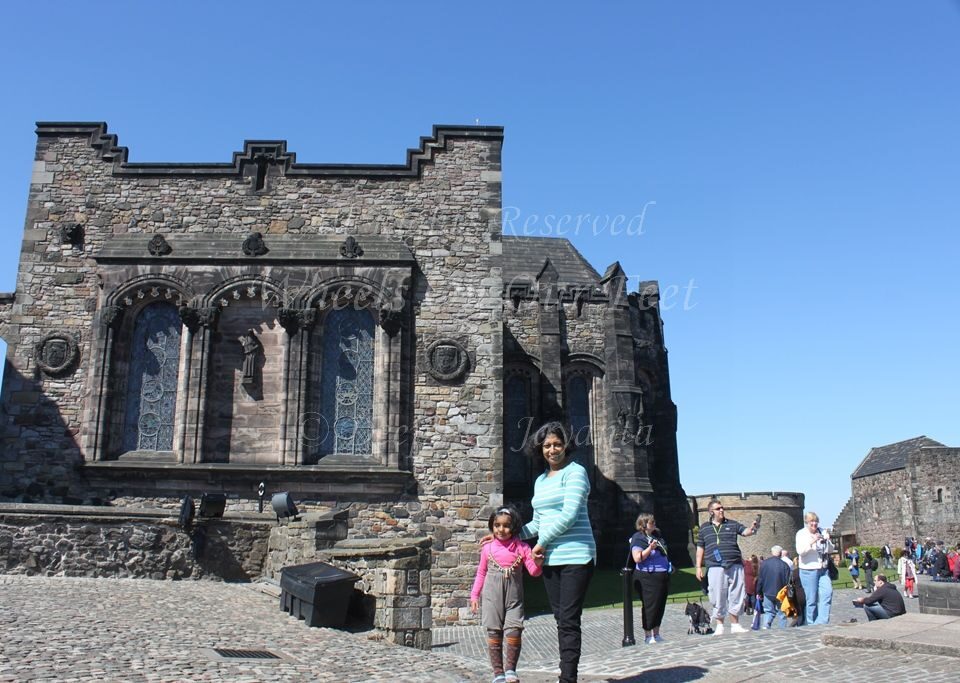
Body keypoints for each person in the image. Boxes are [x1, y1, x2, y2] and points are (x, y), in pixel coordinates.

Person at [519, 422, 596, 683]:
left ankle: (568, 678)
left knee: (569, 619)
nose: (552, 449)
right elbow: (537, 523)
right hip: (551, 557)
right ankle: (567, 673)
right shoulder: (541, 481)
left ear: (566, 446)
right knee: (561, 619)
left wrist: (541, 543)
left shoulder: (576, 473)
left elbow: (570, 515)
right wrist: (506, 535)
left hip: (577, 554)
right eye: (547, 445)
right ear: (540, 449)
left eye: (557, 444)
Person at [471, 505, 542, 683]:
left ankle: (511, 670)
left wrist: (538, 562)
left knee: (514, 631)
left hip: (514, 599)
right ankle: (498, 673)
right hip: (491, 597)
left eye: (506, 526)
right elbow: (481, 573)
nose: (501, 530)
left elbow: (533, 572)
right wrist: (474, 596)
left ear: (514, 527)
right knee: (494, 633)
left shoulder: (522, 548)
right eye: (497, 525)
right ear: (492, 526)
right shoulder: (487, 548)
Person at [694, 499, 759, 635]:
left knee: (737, 593)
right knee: (717, 595)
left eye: (722, 508)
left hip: (734, 564)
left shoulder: (732, 524)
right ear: (711, 512)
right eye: (718, 508)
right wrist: (698, 567)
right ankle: (720, 625)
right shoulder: (705, 528)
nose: (721, 510)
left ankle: (735, 624)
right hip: (715, 566)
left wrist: (753, 529)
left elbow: (745, 532)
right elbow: (700, 548)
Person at [630, 513, 671, 644]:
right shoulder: (638, 538)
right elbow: (637, 557)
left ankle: (657, 633)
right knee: (650, 606)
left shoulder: (657, 536)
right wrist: (650, 548)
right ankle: (648, 635)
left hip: (662, 574)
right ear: (643, 525)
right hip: (647, 577)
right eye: (651, 522)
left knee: (660, 605)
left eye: (654, 522)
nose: (654, 524)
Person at [795, 511, 835, 625]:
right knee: (811, 600)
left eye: (816, 521)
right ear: (806, 522)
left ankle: (822, 622)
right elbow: (801, 552)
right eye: (811, 521)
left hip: (823, 569)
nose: (814, 524)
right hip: (808, 570)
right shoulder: (801, 534)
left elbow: (830, 550)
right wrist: (813, 541)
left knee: (827, 593)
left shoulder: (822, 531)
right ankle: (811, 623)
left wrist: (827, 540)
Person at [758, 545, 792, 629]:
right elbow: (788, 582)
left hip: (767, 591)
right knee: (782, 613)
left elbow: (760, 579)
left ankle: (766, 626)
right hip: (780, 593)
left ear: (771, 552)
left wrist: (759, 592)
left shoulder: (764, 564)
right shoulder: (784, 565)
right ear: (780, 553)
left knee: (768, 611)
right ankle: (782, 629)